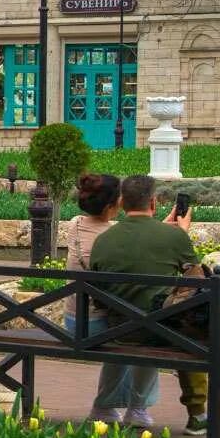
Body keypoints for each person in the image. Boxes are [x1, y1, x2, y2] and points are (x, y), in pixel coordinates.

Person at [88, 173, 198, 430]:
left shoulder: (104, 239)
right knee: (155, 322)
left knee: (139, 320)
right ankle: (138, 409)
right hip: (155, 330)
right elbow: (197, 279)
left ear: (122, 201)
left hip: (113, 327)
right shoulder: (174, 238)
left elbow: (97, 289)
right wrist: (181, 234)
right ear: (154, 202)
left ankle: (106, 405)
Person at [64, 172, 136, 422]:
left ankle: (109, 406)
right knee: (144, 334)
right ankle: (132, 409)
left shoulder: (74, 224)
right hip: (98, 326)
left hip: (72, 320)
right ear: (112, 205)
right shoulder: (116, 235)